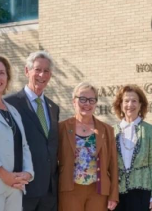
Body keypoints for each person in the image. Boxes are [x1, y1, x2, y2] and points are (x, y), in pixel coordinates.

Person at [0, 51, 60, 211]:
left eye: (46, 71)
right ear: (27, 71)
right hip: (11, 187)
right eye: (37, 69)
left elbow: (41, 145)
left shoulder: (52, 108)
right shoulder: (7, 101)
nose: (42, 74)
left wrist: (28, 173)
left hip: (38, 187)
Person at [57, 82, 119, 211]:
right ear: (74, 101)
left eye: (92, 100)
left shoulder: (106, 130)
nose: (87, 104)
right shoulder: (61, 128)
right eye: (83, 99)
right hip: (70, 189)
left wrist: (113, 194)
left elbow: (113, 165)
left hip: (98, 190)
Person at [112, 84, 152, 211]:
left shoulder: (150, 130)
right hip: (117, 191)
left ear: (140, 105)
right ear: (120, 104)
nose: (130, 105)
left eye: (134, 101)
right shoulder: (112, 131)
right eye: (126, 101)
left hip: (142, 190)